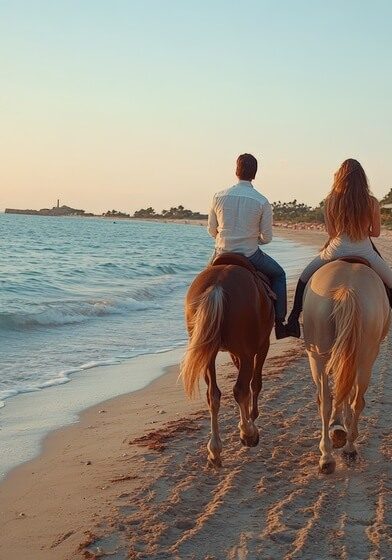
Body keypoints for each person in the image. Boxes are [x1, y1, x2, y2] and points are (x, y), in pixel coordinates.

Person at [286, 158, 392, 338]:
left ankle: (293, 320)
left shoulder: (331, 200)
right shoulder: (372, 202)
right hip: (365, 250)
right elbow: (375, 233)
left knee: (303, 279)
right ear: (362, 178)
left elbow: (331, 232)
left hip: (335, 250)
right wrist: (361, 229)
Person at [208, 153, 287, 339]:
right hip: (250, 254)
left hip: (220, 252)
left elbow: (212, 230)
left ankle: (195, 325)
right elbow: (267, 237)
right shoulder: (261, 201)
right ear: (255, 173)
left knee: (203, 284)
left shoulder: (218, 196)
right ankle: (280, 322)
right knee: (279, 275)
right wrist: (252, 239)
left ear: (236, 171)